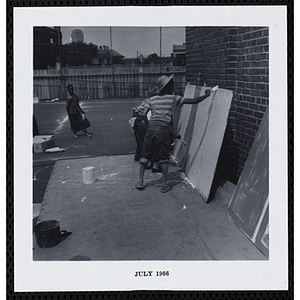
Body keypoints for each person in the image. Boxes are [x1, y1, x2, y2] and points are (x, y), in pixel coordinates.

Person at [135, 74, 211, 193]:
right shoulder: (173, 98)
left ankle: (140, 181)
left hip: (151, 127)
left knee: (145, 154)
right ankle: (164, 184)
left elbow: (143, 114)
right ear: (167, 87)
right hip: (163, 130)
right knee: (164, 157)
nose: (173, 87)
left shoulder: (152, 99)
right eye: (172, 85)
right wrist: (207, 95)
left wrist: (151, 124)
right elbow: (193, 101)